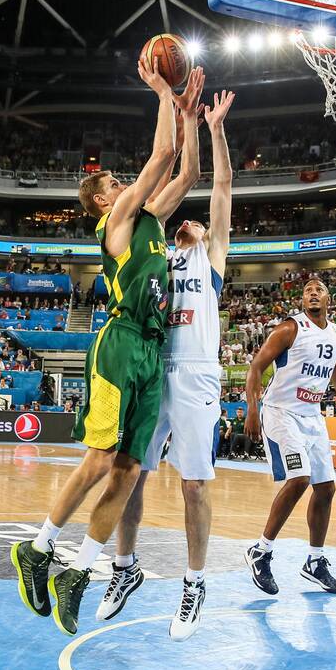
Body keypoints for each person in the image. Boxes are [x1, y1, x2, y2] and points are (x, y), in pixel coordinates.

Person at [10, 62, 206, 636]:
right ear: (99, 203)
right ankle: (39, 547)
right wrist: (163, 95)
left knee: (127, 471)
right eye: (111, 185)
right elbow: (161, 159)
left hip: (154, 348)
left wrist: (189, 116)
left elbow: (187, 169)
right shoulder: (116, 223)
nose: (121, 186)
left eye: (120, 183)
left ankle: (81, 571)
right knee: (99, 459)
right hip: (120, 343)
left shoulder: (151, 218)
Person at [99, 88, 236, 640]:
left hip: (197, 372)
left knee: (194, 487)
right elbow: (171, 180)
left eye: (196, 224)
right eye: (189, 223)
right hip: (153, 365)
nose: (191, 224)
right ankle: (124, 567)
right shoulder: (154, 247)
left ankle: (194, 581)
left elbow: (218, 184)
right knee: (128, 474)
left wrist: (213, 127)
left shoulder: (213, 256)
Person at [243, 278, 336, 596]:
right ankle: (261, 551)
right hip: (280, 411)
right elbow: (256, 367)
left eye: (319, 289)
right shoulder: (289, 328)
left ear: (329, 298)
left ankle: (314, 561)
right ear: (302, 301)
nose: (313, 293)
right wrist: (252, 409)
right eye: (307, 291)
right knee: (299, 478)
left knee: (326, 488)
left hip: (312, 416)